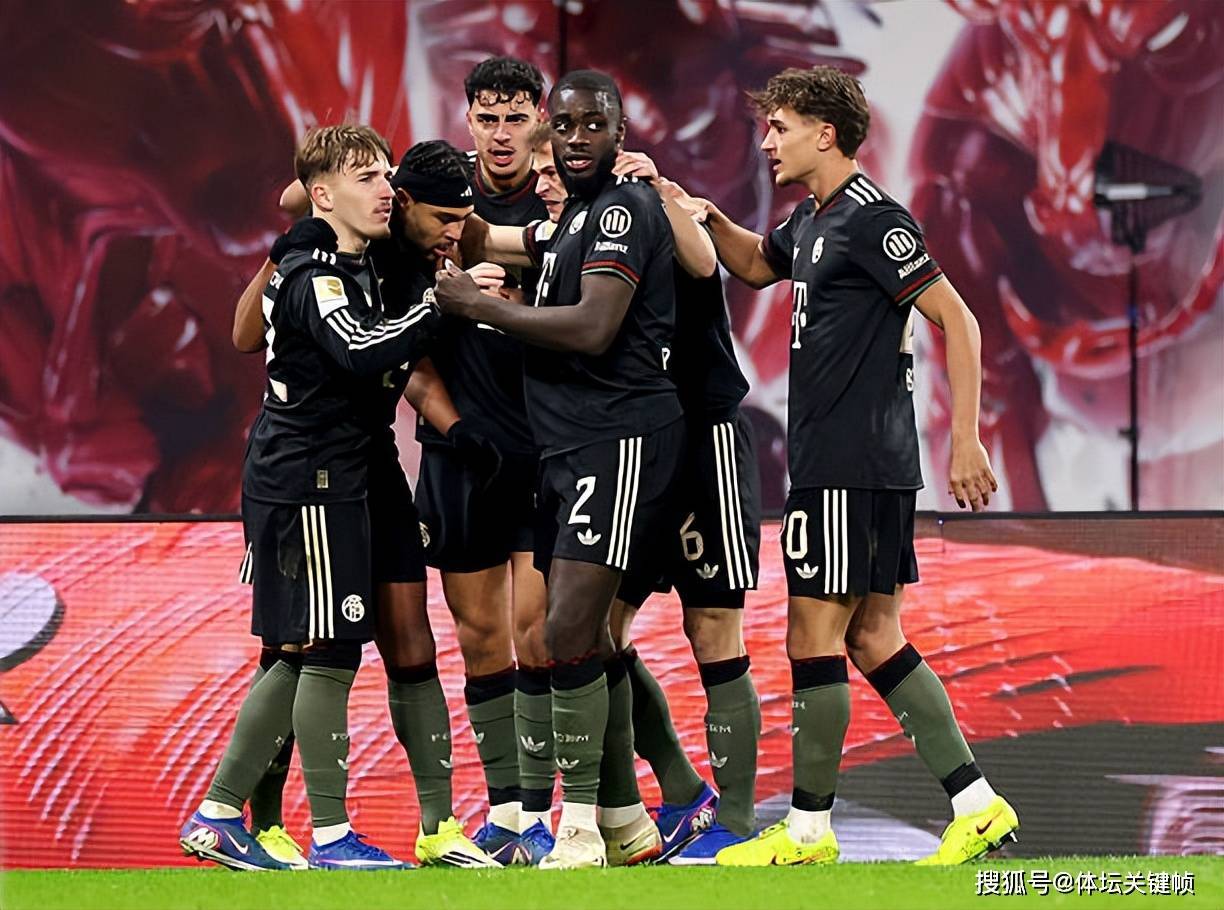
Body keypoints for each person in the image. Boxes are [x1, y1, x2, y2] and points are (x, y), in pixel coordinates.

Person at [693, 65, 1018, 866]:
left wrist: (966, 438)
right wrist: (700, 212)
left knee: (814, 635)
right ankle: (977, 806)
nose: (767, 141)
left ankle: (808, 830)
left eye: (780, 127)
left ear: (825, 133)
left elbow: (959, 320)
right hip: (846, 461)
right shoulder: (811, 220)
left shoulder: (874, 219)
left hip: (850, 461)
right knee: (874, 635)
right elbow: (756, 262)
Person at [229, 139, 501, 868]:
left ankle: (439, 827)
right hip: (309, 465)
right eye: (442, 220)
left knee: (409, 637)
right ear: (405, 201)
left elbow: (402, 365)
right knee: (305, 645)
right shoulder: (326, 250)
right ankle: (265, 821)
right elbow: (252, 332)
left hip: (369, 457)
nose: (454, 235)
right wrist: (292, 242)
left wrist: (459, 432)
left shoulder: (404, 256)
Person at [435, 70, 683, 869]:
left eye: (592, 125)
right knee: (582, 635)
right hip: (573, 447)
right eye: (566, 126)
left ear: (619, 133)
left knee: (566, 630)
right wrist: (412, 202)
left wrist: (482, 308)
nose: (576, 140)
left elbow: (594, 327)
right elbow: (494, 240)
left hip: (619, 439)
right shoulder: (571, 218)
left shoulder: (622, 209)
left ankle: (577, 826)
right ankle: (627, 821)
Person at [179, 124, 441, 871]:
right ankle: (319, 833)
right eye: (367, 177)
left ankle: (225, 816)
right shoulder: (314, 271)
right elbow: (357, 349)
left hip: (324, 473)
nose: (385, 190)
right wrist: (439, 305)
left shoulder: (347, 261)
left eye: (386, 175)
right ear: (322, 196)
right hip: (309, 476)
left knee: (304, 650)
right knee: (326, 647)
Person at [412, 57, 557, 865]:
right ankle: (505, 813)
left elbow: (599, 315)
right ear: (467, 118)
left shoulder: (565, 198)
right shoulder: (431, 198)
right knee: (479, 638)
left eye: (515, 118)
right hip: (461, 452)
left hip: (546, 448)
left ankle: (542, 811)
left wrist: (515, 306)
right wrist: (460, 429)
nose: (501, 134)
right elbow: (298, 195)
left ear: (539, 118)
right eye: (488, 118)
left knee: (539, 632)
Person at [603, 153, 762, 865]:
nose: (545, 177)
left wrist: (663, 188)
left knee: (712, 628)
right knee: (596, 627)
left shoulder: (655, 202)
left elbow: (701, 261)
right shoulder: (573, 232)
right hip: (635, 448)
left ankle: (736, 820)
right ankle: (681, 789)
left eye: (552, 161)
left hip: (704, 437)